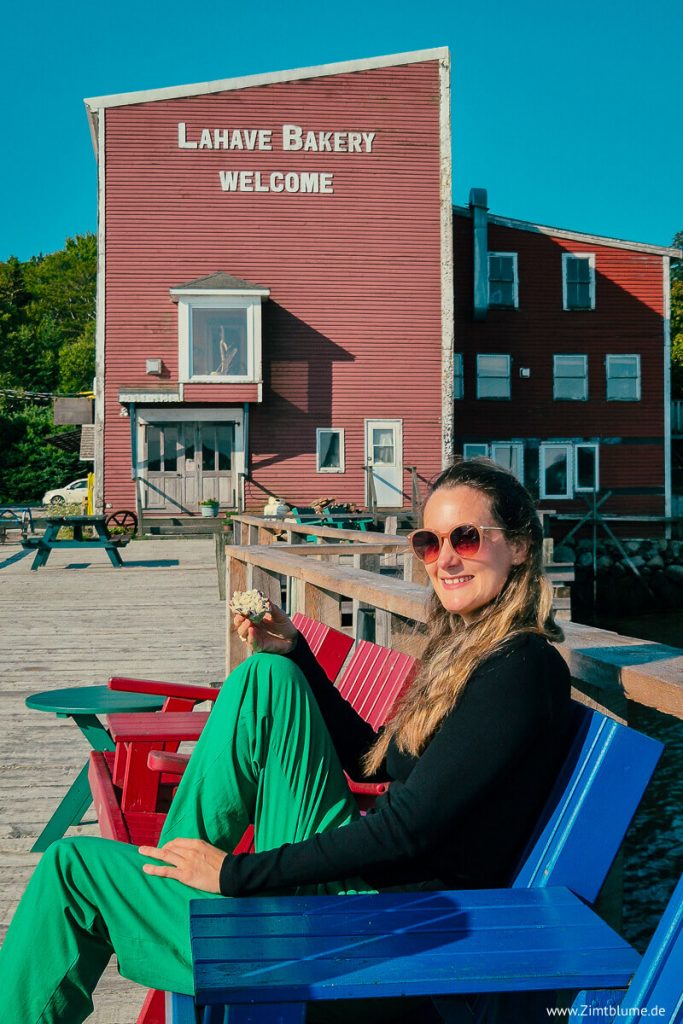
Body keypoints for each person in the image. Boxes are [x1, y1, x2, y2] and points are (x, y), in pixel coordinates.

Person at [0, 459, 573, 1023]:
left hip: (383, 916)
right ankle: (178, 878)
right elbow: (377, 763)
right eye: (429, 541)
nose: (444, 558)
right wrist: (296, 651)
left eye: (466, 538)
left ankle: (184, 893)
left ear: (520, 546)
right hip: (375, 889)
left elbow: (410, 831)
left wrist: (235, 875)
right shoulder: (475, 654)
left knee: (71, 868)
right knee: (266, 674)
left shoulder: (519, 668)